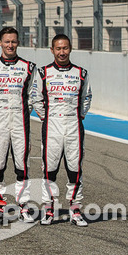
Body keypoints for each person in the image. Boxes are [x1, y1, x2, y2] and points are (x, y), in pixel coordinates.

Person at [31, 34, 92, 227]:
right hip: (52, 126)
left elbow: (87, 97)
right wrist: (45, 117)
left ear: (70, 49)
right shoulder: (43, 72)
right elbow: (36, 99)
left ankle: (75, 208)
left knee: (74, 168)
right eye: (58, 48)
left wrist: (79, 116)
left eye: (65, 48)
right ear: (52, 50)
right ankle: (49, 208)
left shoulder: (81, 73)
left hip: (73, 125)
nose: (62, 52)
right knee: (50, 169)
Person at [0, 27, 35, 222]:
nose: (10, 45)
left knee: (22, 165)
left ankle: (24, 205)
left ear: (18, 43)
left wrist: (22, 112)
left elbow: (31, 97)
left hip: (21, 122)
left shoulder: (29, 67)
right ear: (0, 43)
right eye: (6, 41)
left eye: (13, 41)